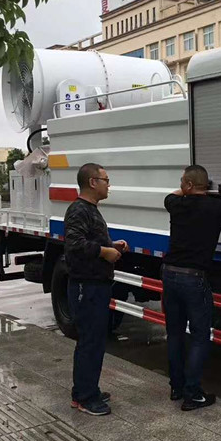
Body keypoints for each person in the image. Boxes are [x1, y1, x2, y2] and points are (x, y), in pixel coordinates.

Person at [163, 165, 221, 411]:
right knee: (200, 337)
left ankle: (177, 388)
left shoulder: (175, 204)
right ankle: (192, 394)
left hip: (169, 274)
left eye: (182, 181)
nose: (180, 185)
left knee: (175, 334)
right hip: (194, 278)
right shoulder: (216, 208)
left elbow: (173, 194)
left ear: (189, 185)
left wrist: (186, 190)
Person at [64, 163, 128, 416]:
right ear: (92, 182)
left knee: (94, 340)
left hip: (96, 285)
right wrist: (105, 252)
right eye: (106, 180)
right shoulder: (79, 210)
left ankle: (87, 389)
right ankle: (85, 398)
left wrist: (112, 245)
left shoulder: (89, 209)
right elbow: (74, 244)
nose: (108, 185)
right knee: (89, 341)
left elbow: (88, 240)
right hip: (86, 286)